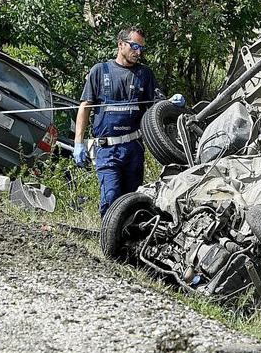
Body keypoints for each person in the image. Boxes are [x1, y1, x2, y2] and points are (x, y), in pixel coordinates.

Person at [73, 27, 185, 215]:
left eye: (141, 48)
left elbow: (157, 106)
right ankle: (109, 241)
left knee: (133, 202)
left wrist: (171, 103)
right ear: (121, 44)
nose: (138, 52)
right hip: (108, 150)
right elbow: (84, 107)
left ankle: (130, 243)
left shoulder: (145, 74)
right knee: (110, 198)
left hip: (134, 148)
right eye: (134, 46)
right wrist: (78, 143)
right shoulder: (100, 71)